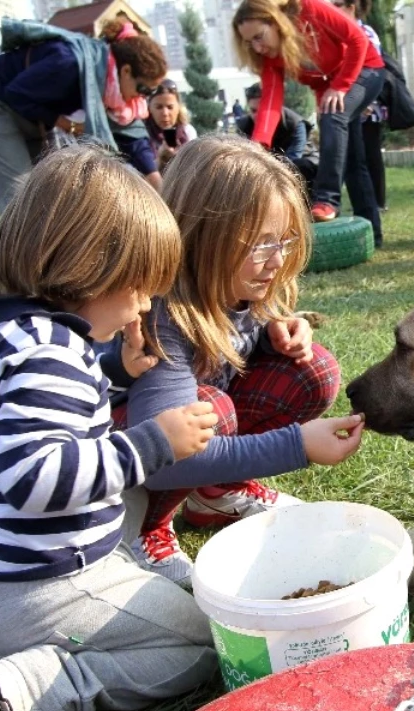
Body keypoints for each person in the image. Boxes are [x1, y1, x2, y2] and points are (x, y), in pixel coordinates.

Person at [0, 146, 221, 711]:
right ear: (86, 269)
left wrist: (116, 370)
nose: (144, 307)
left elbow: (26, 408)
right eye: (138, 285)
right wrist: (153, 442)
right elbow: (37, 482)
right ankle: (48, 685)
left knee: (129, 513)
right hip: (32, 588)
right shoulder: (49, 352)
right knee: (205, 642)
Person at [119, 135, 365, 586]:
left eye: (286, 240)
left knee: (316, 371)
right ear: (203, 237)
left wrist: (277, 334)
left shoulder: (243, 286)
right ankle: (145, 528)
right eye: (261, 245)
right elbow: (167, 456)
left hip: (196, 430)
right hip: (140, 456)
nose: (278, 260)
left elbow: (240, 336)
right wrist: (298, 445)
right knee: (209, 412)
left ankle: (216, 494)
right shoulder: (162, 315)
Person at [0, 16, 168, 214]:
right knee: (18, 202)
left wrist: (153, 176)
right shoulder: (69, 63)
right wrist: (64, 123)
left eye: (150, 92)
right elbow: (16, 94)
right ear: (125, 71)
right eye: (144, 89)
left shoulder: (112, 87)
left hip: (31, 117)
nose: (142, 97)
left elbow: (129, 132)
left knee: (47, 199)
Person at [233, 0, 385, 247]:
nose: (257, 47)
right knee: (353, 161)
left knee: (332, 115)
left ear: (276, 22)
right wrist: (258, 145)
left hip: (366, 69)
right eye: (250, 42)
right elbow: (270, 103)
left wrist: (340, 86)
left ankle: (326, 199)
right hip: (332, 86)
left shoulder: (310, 9)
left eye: (260, 37)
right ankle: (372, 235)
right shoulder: (271, 59)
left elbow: (357, 39)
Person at [332, 0, 387, 213]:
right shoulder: (337, 33)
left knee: (370, 158)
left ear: (351, 6)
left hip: (368, 106)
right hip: (348, 105)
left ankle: (378, 203)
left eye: (337, 5)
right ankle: (369, 210)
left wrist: (367, 101)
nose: (332, 10)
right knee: (355, 161)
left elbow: (375, 68)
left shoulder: (365, 32)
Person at [236, 82, 317, 193]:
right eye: (253, 111)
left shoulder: (294, 123)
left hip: (300, 164)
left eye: (263, 110)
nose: (258, 116)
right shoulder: (244, 125)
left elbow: (293, 158)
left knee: (300, 166)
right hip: (268, 166)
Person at [143, 78, 197, 172]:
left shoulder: (188, 132)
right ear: (150, 108)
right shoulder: (141, 135)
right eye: (159, 107)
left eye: (170, 107)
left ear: (178, 108)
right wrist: (160, 159)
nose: (165, 113)